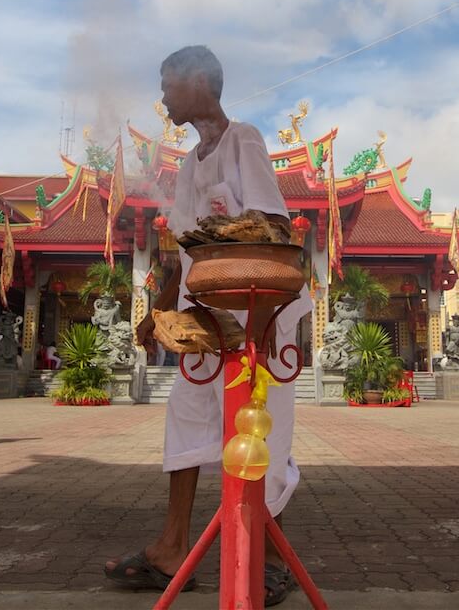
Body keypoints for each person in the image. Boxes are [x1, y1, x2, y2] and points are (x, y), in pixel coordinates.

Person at [105, 45, 311, 606]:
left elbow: (272, 223)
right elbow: (182, 252)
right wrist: (161, 310)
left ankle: (269, 557)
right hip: (209, 315)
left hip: (260, 311)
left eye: (167, 83)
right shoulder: (191, 164)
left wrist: (260, 325)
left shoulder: (244, 139)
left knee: (260, 426)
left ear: (199, 80)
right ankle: (173, 547)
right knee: (188, 415)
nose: (163, 95)